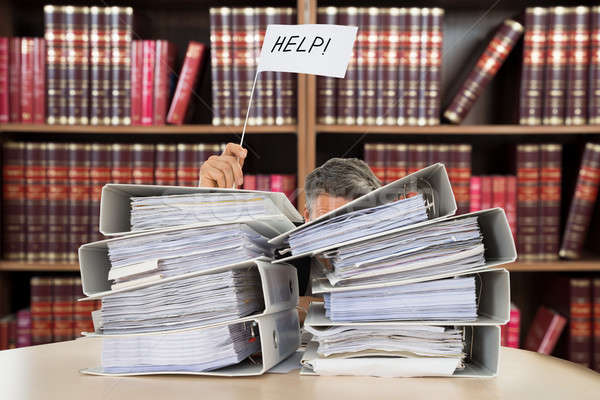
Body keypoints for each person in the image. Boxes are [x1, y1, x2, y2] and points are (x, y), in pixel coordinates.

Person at [199, 142, 382, 314]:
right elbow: (215, 295)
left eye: (352, 223)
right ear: (307, 220)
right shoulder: (279, 251)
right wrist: (208, 203)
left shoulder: (392, 255)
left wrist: (301, 306)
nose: (338, 238)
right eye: (326, 222)